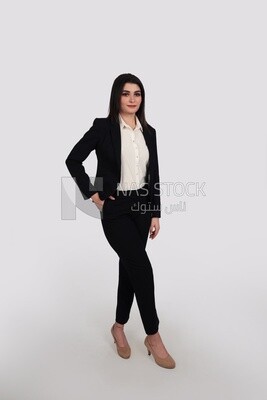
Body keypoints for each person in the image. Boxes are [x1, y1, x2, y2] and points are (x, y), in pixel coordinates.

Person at [65, 73, 175, 369]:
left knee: (130, 268)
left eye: (137, 93)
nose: (132, 99)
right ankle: (153, 335)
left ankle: (118, 326)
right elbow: (73, 159)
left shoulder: (149, 131)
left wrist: (155, 212)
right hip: (115, 208)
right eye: (126, 93)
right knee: (142, 267)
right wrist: (93, 194)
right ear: (116, 97)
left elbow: (155, 175)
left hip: (142, 206)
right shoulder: (103, 128)